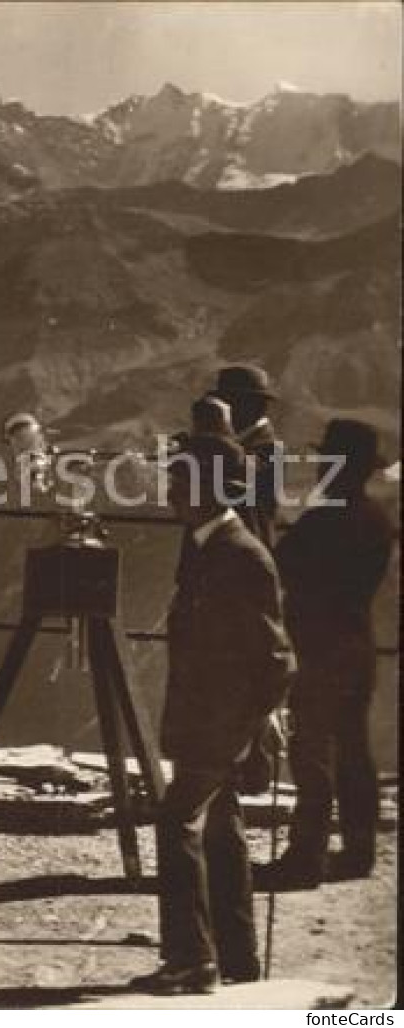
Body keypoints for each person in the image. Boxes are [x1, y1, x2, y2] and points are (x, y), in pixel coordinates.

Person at [134, 434, 295, 995]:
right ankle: (238, 957)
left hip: (218, 725)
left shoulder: (241, 555)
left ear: (211, 489)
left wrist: (254, 724)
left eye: (182, 480)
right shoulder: (211, 547)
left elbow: (276, 657)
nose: (171, 491)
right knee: (223, 831)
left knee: (176, 820)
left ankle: (191, 961)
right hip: (209, 721)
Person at [264, 420, 395, 887]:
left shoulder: (325, 519)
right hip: (358, 644)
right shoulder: (377, 520)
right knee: (354, 751)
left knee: (313, 751)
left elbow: (279, 566)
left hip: (319, 648)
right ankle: (359, 851)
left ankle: (306, 856)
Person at [207, 365, 283, 547]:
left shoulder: (270, 449)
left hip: (243, 553)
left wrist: (212, 437)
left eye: (229, 402)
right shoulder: (231, 442)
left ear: (255, 405)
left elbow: (240, 477)